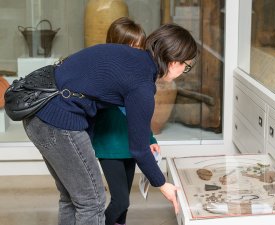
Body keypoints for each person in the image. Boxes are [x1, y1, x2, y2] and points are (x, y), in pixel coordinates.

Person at [23, 22, 197, 225]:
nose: (184, 69)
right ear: (174, 61)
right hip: (57, 121)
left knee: (72, 197)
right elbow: (139, 149)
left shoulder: (126, 56)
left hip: (37, 111)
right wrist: (163, 184)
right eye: (186, 65)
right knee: (92, 202)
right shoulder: (141, 85)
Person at [92, 17, 161, 225]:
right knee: (120, 201)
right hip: (109, 148)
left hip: (131, 148)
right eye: (131, 48)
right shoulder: (105, 74)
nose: (136, 54)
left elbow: (139, 116)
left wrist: (150, 138)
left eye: (140, 48)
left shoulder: (139, 78)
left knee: (125, 203)